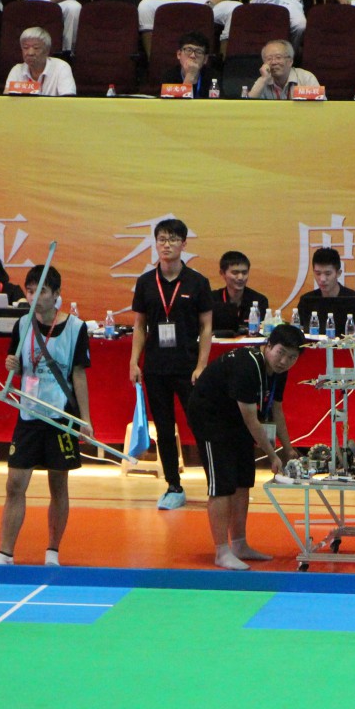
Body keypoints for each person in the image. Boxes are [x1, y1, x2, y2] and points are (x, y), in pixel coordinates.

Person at [0, 266, 92, 566]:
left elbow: (79, 375)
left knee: (58, 485)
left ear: (56, 294)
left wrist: (85, 420)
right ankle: (5, 553)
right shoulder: (22, 325)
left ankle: (52, 552)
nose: (34, 297)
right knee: (14, 484)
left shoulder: (76, 327)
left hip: (61, 415)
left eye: (41, 291)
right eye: (30, 290)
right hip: (29, 414)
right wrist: (11, 366)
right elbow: (18, 366)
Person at [187, 324, 302, 570]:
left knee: (243, 480)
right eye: (280, 353)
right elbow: (252, 420)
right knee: (222, 485)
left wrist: (288, 448)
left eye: (292, 357)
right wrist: (272, 455)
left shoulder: (278, 371)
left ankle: (239, 544)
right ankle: (221, 551)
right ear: (268, 345)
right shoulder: (247, 366)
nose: (284, 361)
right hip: (210, 417)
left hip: (234, 417)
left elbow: (277, 409)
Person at [129, 218, 212, 510]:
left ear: (184, 244)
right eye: (162, 239)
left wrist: (201, 365)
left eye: (173, 239)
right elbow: (139, 326)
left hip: (188, 367)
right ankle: (173, 486)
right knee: (164, 429)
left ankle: (215, 483)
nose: (167, 245)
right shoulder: (145, 282)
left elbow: (206, 327)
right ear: (156, 244)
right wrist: (134, 361)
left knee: (200, 424)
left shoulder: (197, 282)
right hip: (155, 367)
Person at [295, 247, 355, 332]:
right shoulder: (306, 301)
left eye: (328, 274)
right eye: (318, 273)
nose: (322, 279)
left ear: (338, 273)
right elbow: (297, 334)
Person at [4, 27, 76, 96]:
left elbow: (68, 101)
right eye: (25, 48)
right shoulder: (17, 71)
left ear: (47, 50)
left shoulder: (61, 68)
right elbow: (6, 100)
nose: (30, 53)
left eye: (36, 48)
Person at [211, 251, 269, 336]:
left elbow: (262, 333)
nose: (241, 277)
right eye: (235, 273)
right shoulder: (212, 299)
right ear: (222, 273)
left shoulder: (260, 300)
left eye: (244, 273)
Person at [247, 40, 318, 100]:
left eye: (278, 57)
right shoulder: (263, 81)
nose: (274, 62)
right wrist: (264, 79)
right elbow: (248, 105)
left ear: (290, 61)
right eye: (269, 59)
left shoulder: (306, 78)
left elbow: (319, 107)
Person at [159, 31, 219, 97]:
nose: (193, 55)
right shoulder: (169, 77)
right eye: (188, 50)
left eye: (199, 52)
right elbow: (173, 103)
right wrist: (189, 76)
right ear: (179, 54)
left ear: (205, 59)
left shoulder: (213, 78)